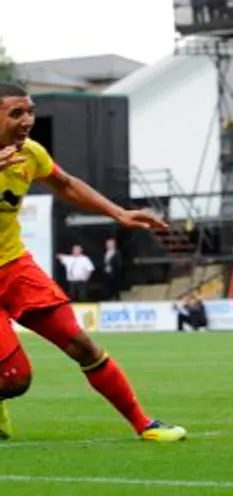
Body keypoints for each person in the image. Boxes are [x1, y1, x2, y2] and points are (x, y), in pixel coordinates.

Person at [0, 83, 185, 442]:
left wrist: (120, 213)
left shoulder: (30, 155)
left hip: (14, 267)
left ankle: (143, 424)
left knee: (82, 345)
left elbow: (66, 184)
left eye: (30, 112)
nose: (27, 121)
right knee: (15, 378)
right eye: (16, 113)